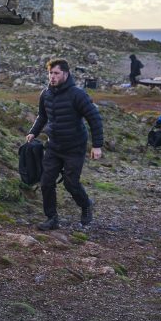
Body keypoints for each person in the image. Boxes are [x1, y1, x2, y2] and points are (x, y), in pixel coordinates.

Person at [25, 59, 104, 230]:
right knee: (46, 182)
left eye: (56, 73)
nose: (52, 77)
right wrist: (33, 132)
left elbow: (94, 118)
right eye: (50, 73)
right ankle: (52, 218)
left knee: (71, 183)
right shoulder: (45, 94)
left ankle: (85, 205)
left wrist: (97, 145)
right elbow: (42, 116)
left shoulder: (78, 94)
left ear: (66, 74)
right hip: (54, 146)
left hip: (74, 147)